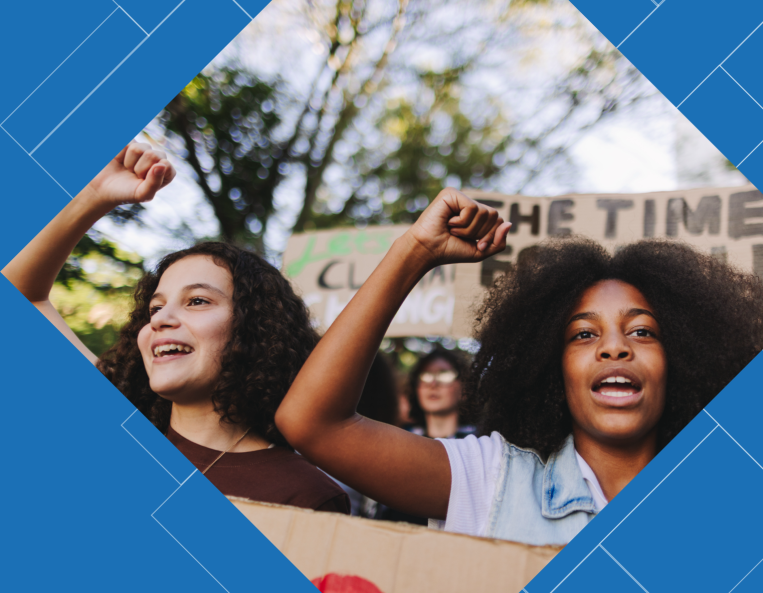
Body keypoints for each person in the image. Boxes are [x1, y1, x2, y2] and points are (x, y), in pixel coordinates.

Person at [275, 188, 763, 544]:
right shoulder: (489, 480)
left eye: (642, 331)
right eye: (583, 334)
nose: (615, 348)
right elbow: (313, 425)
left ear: (682, 359)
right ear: (551, 371)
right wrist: (415, 252)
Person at [2, 143, 350, 514]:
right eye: (155, 307)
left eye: (197, 301)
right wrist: (94, 196)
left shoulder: (307, 495)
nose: (160, 318)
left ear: (258, 330)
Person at [407, 348, 474, 439]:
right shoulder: (402, 441)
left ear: (464, 389)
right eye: (425, 376)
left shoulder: (480, 444)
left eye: (445, 375)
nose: (433, 384)